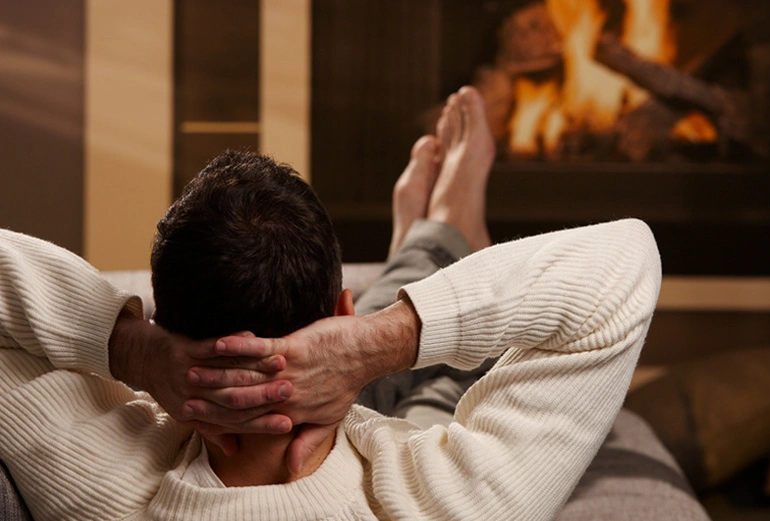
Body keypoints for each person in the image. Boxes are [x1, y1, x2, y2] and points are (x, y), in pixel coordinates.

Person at [0, 87, 664, 520]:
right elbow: (624, 264)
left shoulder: (97, 481)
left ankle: (430, 241)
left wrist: (131, 348)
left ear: (161, 317)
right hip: (390, 446)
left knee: (420, 382)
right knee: (440, 389)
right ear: (344, 314)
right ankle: (440, 242)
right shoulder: (440, 497)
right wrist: (384, 340)